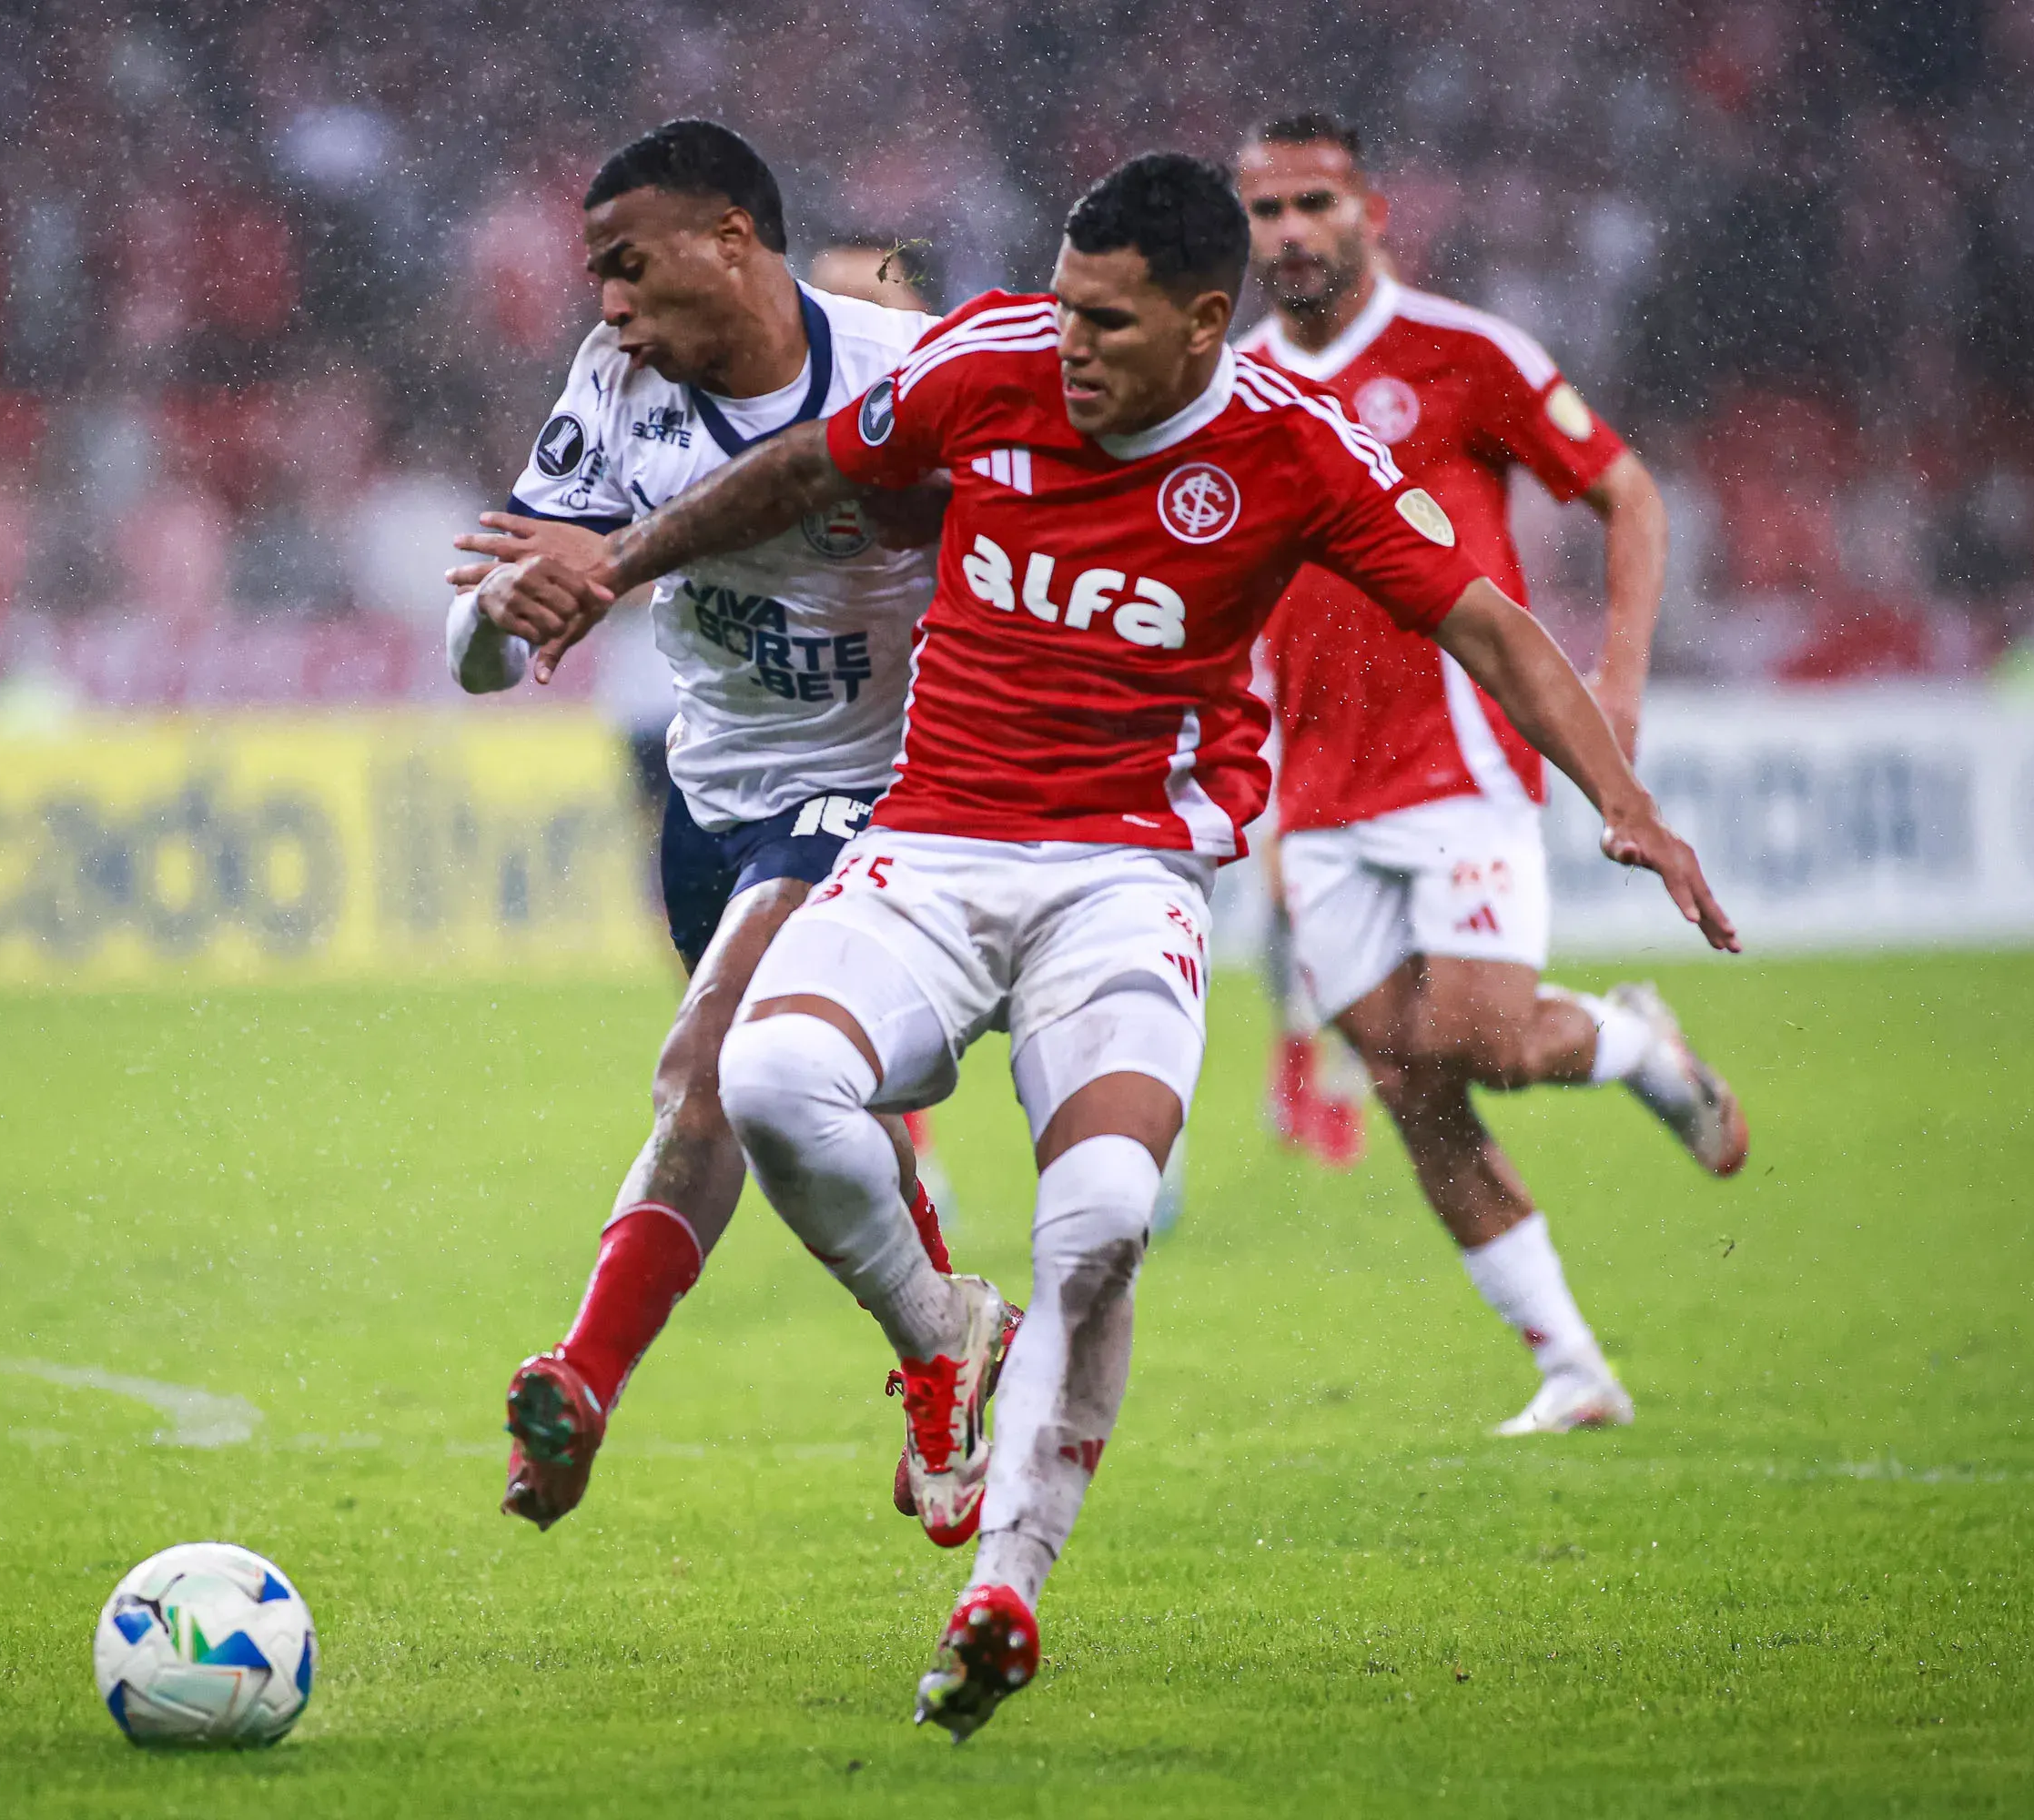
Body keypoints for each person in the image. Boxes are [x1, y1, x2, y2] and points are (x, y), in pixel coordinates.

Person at [497, 152, 1736, 1740]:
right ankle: (942, 1327)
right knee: (766, 1078)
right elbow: (809, 469)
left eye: (1108, 322)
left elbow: (1488, 624)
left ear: (1207, 323)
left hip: (1123, 879)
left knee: (1098, 1218)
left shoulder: (1297, 452)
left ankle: (1005, 1581)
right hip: (930, 848)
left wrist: (1626, 803)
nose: (1067, 344)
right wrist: (619, 561)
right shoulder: (990, 363)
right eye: (1064, 306)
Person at [443, 120, 993, 1535]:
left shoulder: (905, 375)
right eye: (596, 277)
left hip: (882, 794)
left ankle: (582, 1379)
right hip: (716, 800)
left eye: (628, 267)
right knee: (787, 1107)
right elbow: (497, 631)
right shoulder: (613, 385)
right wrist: (492, 622)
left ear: (733, 239)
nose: (607, 303)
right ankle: (944, 1335)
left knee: (707, 1071)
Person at [1235, 114, 1750, 1436]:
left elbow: (1628, 494)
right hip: (1320, 794)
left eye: (1315, 203)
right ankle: (1573, 1367)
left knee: (1476, 1041)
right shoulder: (1227, 387)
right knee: (1410, 1089)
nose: (1291, 232)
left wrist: (1618, 681)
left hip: (1462, 760)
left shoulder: (1465, 357)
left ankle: (1636, 1043)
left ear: (1374, 212)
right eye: (1266, 210)